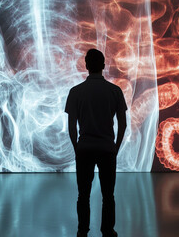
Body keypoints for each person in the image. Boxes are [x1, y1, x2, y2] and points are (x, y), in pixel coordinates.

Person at [65, 49, 127, 237]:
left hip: (84, 148)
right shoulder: (115, 91)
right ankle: (107, 230)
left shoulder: (75, 92)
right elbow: (123, 124)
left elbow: (71, 126)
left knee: (83, 194)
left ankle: (82, 229)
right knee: (109, 196)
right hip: (107, 148)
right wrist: (115, 148)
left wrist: (77, 147)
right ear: (103, 65)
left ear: (86, 66)